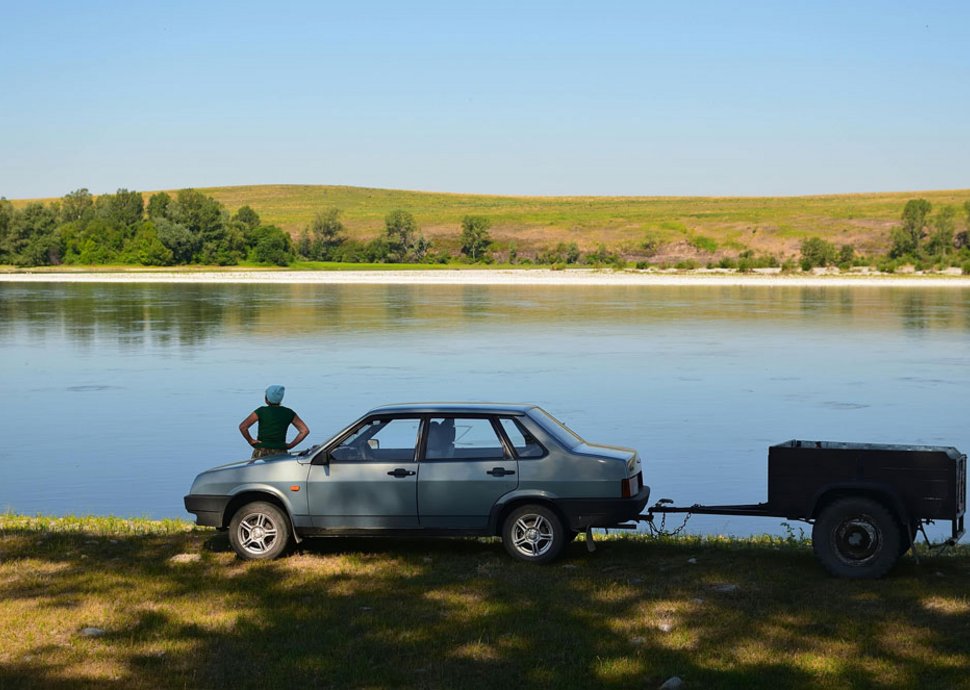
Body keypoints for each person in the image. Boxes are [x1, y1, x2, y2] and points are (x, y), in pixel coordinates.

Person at [239, 385, 310, 459]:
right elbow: (305, 431)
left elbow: (243, 427)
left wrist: (250, 440)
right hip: (281, 451)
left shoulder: (261, 411)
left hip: (261, 451)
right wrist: (291, 445)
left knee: (257, 470)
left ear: (267, 399)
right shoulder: (289, 412)